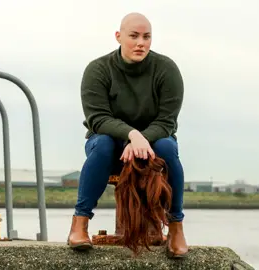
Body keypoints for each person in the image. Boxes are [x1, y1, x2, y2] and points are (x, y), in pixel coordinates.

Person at [67, 12, 188, 258]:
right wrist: (132, 135)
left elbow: (167, 121)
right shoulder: (98, 69)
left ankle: (175, 227)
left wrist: (142, 140)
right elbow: (98, 119)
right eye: (134, 36)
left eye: (146, 37)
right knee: (101, 144)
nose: (140, 43)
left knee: (167, 147)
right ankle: (79, 225)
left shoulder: (166, 69)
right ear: (118, 37)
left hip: (153, 147)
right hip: (110, 146)